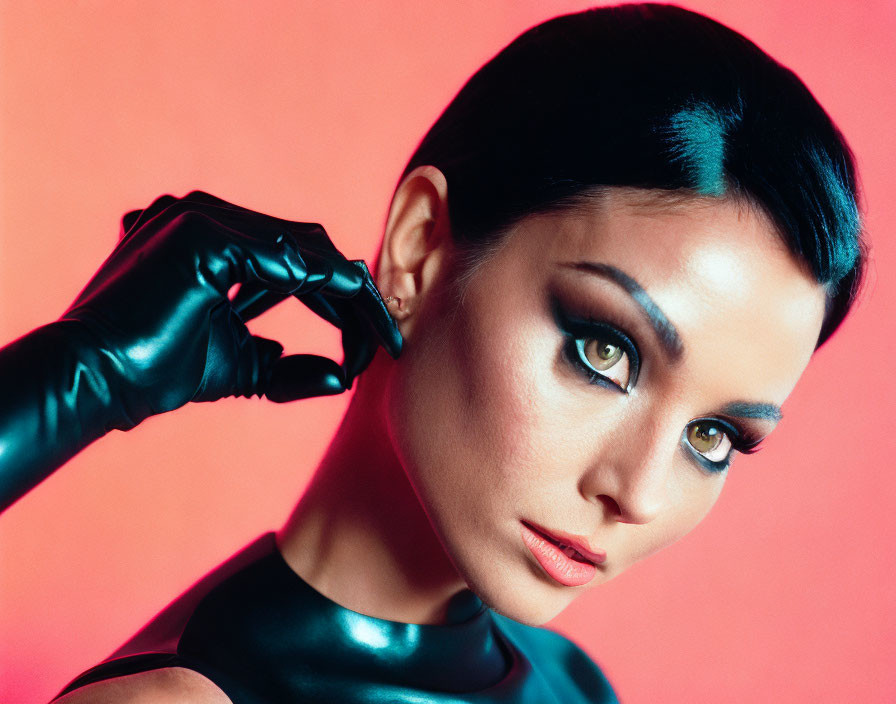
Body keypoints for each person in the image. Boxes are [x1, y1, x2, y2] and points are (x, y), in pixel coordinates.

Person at [0, 3, 864, 702]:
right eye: (605, 350)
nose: (636, 493)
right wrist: (81, 377)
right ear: (418, 247)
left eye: (714, 437)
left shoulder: (572, 685)